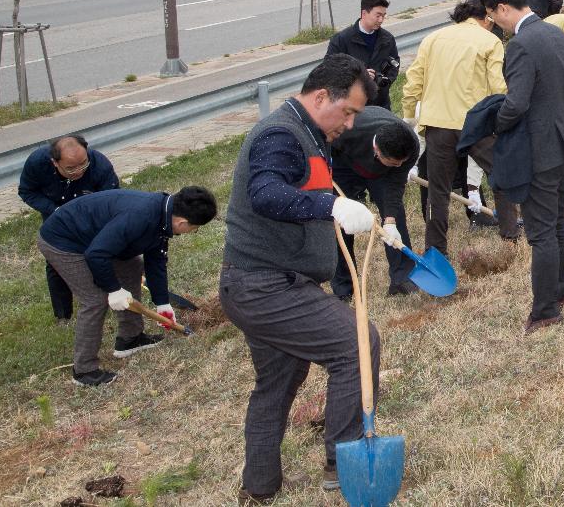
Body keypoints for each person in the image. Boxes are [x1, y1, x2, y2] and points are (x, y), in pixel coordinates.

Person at [220, 55, 391, 503]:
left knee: (277, 383)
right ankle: (343, 463)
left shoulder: (311, 134)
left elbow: (316, 184)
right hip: (263, 285)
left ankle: (259, 487)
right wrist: (331, 208)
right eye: (348, 111)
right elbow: (266, 192)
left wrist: (364, 213)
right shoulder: (280, 134)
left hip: (270, 283)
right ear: (320, 96)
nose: (351, 124)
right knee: (357, 343)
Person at [479, 0, 564, 334]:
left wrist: (495, 123)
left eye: (493, 16)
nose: (495, 24)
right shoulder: (553, 33)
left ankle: (546, 310)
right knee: (558, 219)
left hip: (542, 149)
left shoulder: (520, 45)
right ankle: (562, 291)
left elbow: (516, 104)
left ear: (503, 8)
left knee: (541, 232)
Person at [38, 185, 217, 387]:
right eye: (194, 229)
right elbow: (96, 255)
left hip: (96, 238)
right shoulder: (140, 217)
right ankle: (84, 370)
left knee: (133, 267)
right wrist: (114, 289)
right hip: (64, 241)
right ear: (182, 222)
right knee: (95, 300)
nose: (191, 232)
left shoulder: (162, 216)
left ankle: (130, 339)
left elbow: (155, 261)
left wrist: (162, 303)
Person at [402, 0, 520, 247]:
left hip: (437, 124)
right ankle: (510, 235)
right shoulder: (490, 41)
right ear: (487, 19)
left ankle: (436, 248)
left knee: (438, 190)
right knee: (502, 175)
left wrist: (409, 116)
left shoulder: (432, 39)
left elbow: (413, 82)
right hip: (476, 124)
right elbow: (499, 88)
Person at [19, 135, 120, 322]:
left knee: (104, 255)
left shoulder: (100, 166)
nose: (79, 171)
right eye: (71, 168)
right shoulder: (37, 164)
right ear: (54, 163)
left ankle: (117, 298)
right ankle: (63, 316)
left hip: (93, 215)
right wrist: (54, 210)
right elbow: (27, 191)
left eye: (83, 164)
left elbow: (112, 201)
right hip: (57, 216)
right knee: (57, 263)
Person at [329, 106, 421, 299]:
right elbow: (322, 143)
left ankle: (402, 277)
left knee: (396, 216)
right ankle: (344, 287)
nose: (399, 166)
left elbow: (396, 184)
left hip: (382, 176)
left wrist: (389, 220)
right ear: (376, 150)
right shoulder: (347, 129)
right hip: (343, 163)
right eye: (394, 163)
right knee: (340, 222)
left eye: (400, 163)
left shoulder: (410, 145)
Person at [326, 0, 400, 110]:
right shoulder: (342, 39)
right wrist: (358, 76)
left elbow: (395, 65)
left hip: (381, 106)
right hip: (350, 108)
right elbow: (329, 69)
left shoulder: (387, 39)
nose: (381, 20)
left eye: (384, 15)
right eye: (378, 15)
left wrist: (383, 82)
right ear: (364, 13)